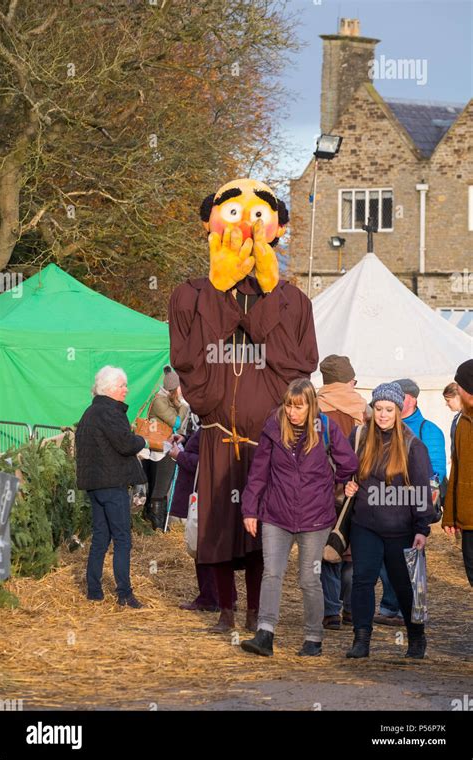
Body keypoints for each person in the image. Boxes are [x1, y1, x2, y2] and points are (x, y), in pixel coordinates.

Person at [169, 178, 318, 634]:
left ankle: (257, 614)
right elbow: (188, 358)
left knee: (259, 533)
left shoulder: (292, 299)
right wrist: (221, 292)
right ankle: (227, 610)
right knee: (216, 528)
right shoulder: (191, 294)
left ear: (277, 228)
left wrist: (260, 309)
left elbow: (302, 363)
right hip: (217, 437)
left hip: (264, 441)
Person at [240, 378, 358, 657]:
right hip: (276, 516)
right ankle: (265, 634)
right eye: (289, 406)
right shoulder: (273, 428)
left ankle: (313, 638)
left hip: (315, 519)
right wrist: (249, 509)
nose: (292, 413)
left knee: (309, 579)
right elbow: (258, 473)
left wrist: (341, 482)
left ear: (311, 406)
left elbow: (349, 463)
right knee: (272, 573)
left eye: (299, 407)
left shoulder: (326, 428)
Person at [344, 382, 435, 659]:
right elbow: (345, 472)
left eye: (389, 409)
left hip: (400, 529)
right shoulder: (359, 438)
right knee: (362, 580)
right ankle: (361, 640)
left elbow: (421, 488)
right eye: (379, 408)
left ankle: (416, 638)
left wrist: (422, 529)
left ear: (398, 411)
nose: (383, 415)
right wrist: (347, 485)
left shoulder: (412, 445)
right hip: (365, 525)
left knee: (404, 586)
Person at [374, 377, 446, 626]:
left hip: (412, 507)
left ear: (411, 399)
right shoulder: (378, 428)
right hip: (382, 506)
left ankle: (413, 611)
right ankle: (390, 606)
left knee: (411, 560)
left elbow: (435, 473)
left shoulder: (429, 430)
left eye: (399, 396)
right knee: (385, 560)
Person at [75, 366, 148, 608]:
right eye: (122, 386)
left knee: (100, 538)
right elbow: (125, 444)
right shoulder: (111, 412)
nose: (126, 390)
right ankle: (124, 594)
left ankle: (94, 590)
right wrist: (143, 440)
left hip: (94, 486)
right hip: (112, 484)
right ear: (109, 389)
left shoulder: (89, 412)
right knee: (122, 539)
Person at [317, 354, 368, 630]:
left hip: (321, 490)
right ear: (348, 381)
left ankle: (330, 611)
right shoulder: (365, 409)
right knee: (352, 550)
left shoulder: (312, 407)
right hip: (357, 488)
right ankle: (349, 608)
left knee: (328, 548)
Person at [168, 427, 237, 612]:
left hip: (208, 495)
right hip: (211, 495)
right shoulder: (214, 424)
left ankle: (212, 598)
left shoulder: (217, 426)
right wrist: (186, 439)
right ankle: (226, 596)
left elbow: (210, 463)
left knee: (205, 547)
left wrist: (180, 456)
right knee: (211, 548)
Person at [141, 366, 189, 531]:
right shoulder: (160, 401)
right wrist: (183, 405)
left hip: (161, 447)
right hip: (162, 449)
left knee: (158, 484)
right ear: (175, 388)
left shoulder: (164, 399)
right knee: (161, 486)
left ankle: (152, 517)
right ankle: (158, 523)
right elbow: (176, 422)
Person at [442, 360, 473, 586]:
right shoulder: (462, 421)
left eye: (459, 384)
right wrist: (450, 515)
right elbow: (457, 469)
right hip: (468, 516)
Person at [443, 382, 462, 457]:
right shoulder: (457, 418)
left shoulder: (466, 419)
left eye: (448, 400)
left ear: (458, 397)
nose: (446, 404)